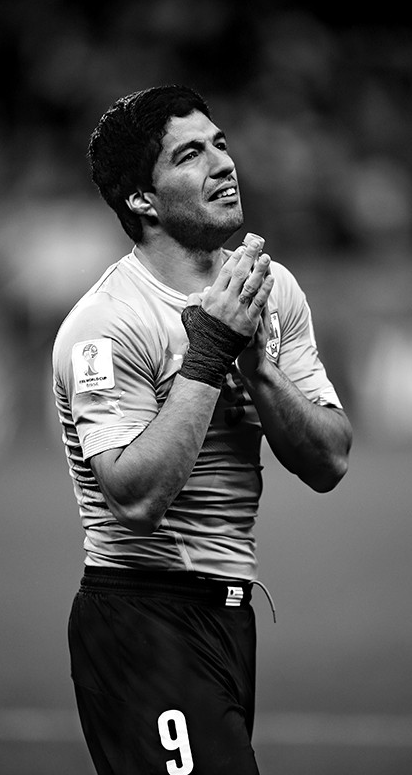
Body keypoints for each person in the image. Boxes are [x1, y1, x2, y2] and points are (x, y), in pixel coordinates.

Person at [52, 84, 352, 775]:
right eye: (189, 154)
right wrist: (211, 352)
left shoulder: (268, 291)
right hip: (140, 616)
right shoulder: (106, 323)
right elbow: (131, 498)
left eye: (219, 143)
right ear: (141, 200)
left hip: (228, 614)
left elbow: (329, 461)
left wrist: (259, 369)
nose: (222, 162)